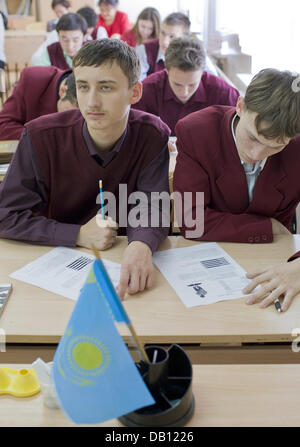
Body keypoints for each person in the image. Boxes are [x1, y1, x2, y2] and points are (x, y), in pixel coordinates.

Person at [0, 39, 170, 299]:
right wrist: (77, 234)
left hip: (121, 265)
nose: (91, 102)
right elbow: (6, 215)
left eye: (105, 87)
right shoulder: (39, 136)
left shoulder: (153, 134)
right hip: (51, 269)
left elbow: (152, 205)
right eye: (83, 86)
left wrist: (141, 244)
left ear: (134, 92)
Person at [173, 68, 300, 244]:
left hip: (275, 253)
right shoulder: (196, 133)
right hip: (210, 250)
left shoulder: (296, 149)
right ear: (240, 106)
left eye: (275, 147)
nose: (257, 154)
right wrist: (267, 227)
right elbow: (193, 222)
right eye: (253, 138)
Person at [133, 37, 239, 135]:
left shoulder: (225, 94)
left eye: (192, 84)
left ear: (202, 72)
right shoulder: (148, 89)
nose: (184, 92)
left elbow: (236, 136)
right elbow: (133, 131)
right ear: (166, 71)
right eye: (177, 84)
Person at [0, 66, 77, 140]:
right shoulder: (33, 79)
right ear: (63, 91)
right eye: (70, 115)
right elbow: (3, 126)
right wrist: (43, 137)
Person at [136, 12, 190, 81]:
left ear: (184, 39)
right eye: (163, 33)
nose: (165, 41)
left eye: (172, 36)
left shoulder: (193, 53)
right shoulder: (143, 50)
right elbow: (137, 86)